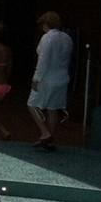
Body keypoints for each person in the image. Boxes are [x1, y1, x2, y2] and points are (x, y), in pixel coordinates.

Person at [27, 11, 75, 152]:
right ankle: (49, 139)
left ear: (46, 24)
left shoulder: (47, 38)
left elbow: (43, 61)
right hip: (62, 78)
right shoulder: (67, 38)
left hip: (47, 78)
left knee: (31, 104)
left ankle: (45, 132)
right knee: (52, 108)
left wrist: (36, 79)